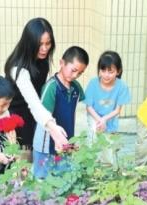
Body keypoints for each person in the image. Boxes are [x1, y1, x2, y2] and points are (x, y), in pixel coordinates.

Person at [4, 18, 68, 157]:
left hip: (33, 112)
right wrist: (52, 128)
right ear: (29, 43)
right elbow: (33, 102)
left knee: (35, 153)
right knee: (22, 157)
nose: (44, 49)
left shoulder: (42, 59)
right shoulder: (18, 69)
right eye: (39, 44)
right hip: (17, 116)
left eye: (48, 43)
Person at [32, 46, 88, 179]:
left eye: (80, 73)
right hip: (45, 144)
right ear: (62, 63)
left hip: (65, 142)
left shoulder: (76, 88)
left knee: (64, 178)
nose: (75, 76)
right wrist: (56, 138)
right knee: (42, 180)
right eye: (73, 70)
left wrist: (73, 139)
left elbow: (75, 113)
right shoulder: (51, 87)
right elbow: (43, 117)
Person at [84, 50, 131, 168]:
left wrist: (104, 119)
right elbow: (89, 107)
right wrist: (99, 120)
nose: (106, 75)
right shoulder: (93, 84)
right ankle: (92, 169)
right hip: (94, 117)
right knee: (94, 141)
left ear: (118, 71)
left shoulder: (122, 86)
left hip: (110, 119)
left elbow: (117, 110)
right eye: (103, 70)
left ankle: (108, 172)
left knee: (109, 148)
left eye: (111, 71)